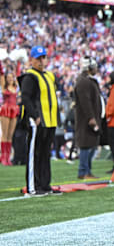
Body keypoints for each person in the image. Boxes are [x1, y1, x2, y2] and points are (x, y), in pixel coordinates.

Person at [20, 45, 62, 196]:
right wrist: (34, 116)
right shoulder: (29, 76)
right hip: (37, 121)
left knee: (45, 153)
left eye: (43, 57)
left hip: (49, 121)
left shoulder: (50, 75)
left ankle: (45, 185)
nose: (41, 61)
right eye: (38, 58)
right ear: (31, 59)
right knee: (34, 154)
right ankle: (33, 187)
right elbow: (25, 97)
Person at [74, 57, 103, 180]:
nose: (96, 69)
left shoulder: (87, 80)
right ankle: (83, 171)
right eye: (94, 67)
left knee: (91, 144)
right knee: (86, 144)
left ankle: (87, 171)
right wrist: (91, 117)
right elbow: (85, 101)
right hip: (86, 119)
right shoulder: (83, 82)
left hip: (91, 117)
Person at [1, 71, 20, 166]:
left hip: (14, 109)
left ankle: (8, 158)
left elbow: (18, 71)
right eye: (8, 77)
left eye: (11, 77)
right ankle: (3, 157)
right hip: (6, 109)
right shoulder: (4, 86)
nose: (10, 79)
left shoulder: (15, 87)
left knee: (10, 135)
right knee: (5, 134)